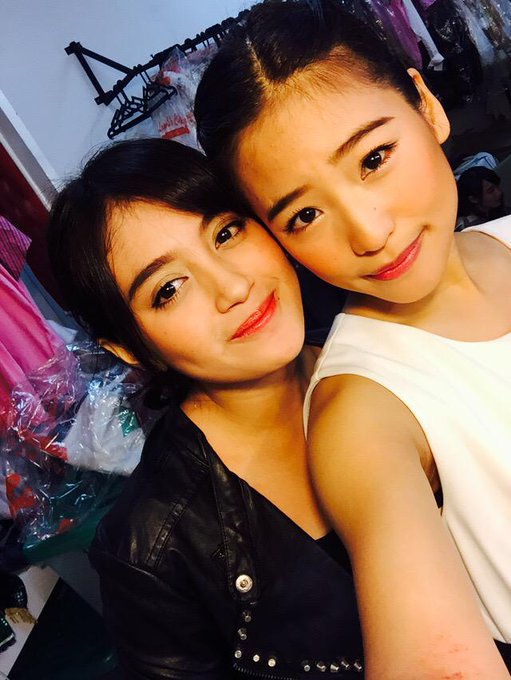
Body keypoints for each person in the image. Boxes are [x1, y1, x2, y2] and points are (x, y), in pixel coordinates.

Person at [194, 0, 511, 676]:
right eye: (304, 214)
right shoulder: (360, 410)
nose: (368, 233)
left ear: (426, 107)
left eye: (373, 158)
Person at [47, 138, 366, 679]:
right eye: (169, 289)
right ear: (131, 348)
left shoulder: (382, 348)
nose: (234, 286)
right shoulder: (149, 553)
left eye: (225, 233)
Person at [456, 165, 508, 231]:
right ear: (474, 199)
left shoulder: (495, 210)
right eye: (491, 191)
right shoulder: (469, 228)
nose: (499, 192)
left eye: (497, 186)